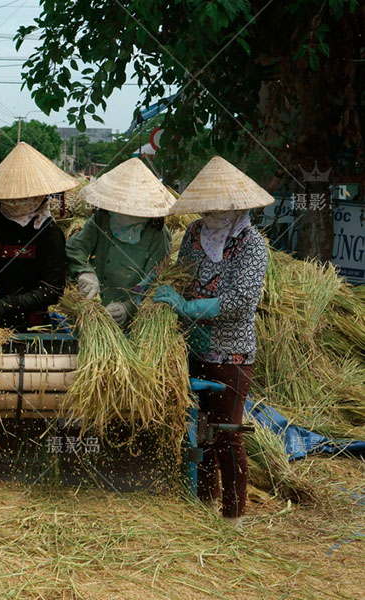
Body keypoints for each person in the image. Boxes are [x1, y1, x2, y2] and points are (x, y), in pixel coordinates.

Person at [153, 155, 272, 526]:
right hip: (193, 347)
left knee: (226, 433)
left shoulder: (251, 244)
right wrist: (163, 290)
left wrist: (189, 306)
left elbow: (240, 300)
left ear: (236, 207)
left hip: (231, 353)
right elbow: (182, 271)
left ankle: (232, 518)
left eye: (219, 208)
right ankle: (204, 504)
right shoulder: (192, 234)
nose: (212, 214)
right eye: (207, 208)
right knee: (198, 430)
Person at [0, 142, 77, 331]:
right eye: (11, 198)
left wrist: (4, 305)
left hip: (31, 323)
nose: (16, 203)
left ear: (40, 195)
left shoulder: (49, 233)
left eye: (25, 197)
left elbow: (52, 290)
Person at [65, 158, 175, 326]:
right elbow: (75, 247)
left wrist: (128, 308)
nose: (122, 211)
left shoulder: (158, 235)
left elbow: (153, 280)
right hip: (94, 310)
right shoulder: (102, 219)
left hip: (132, 321)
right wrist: (85, 272)